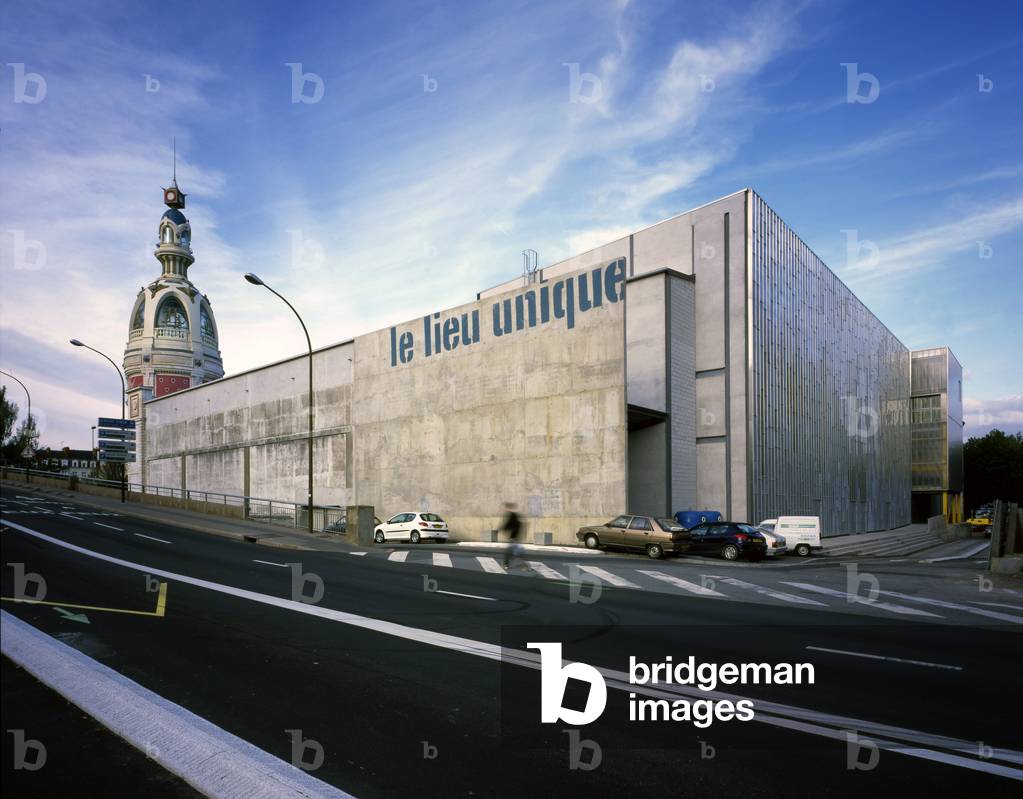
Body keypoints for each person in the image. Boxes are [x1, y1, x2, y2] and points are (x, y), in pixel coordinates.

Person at [501, 501, 523, 568]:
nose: (505, 509)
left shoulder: (512, 515)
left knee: (509, 551)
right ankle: (523, 564)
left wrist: (503, 528)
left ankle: (506, 564)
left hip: (513, 537)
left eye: (506, 507)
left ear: (508, 508)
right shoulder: (515, 515)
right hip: (515, 536)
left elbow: (508, 525)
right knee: (515, 551)